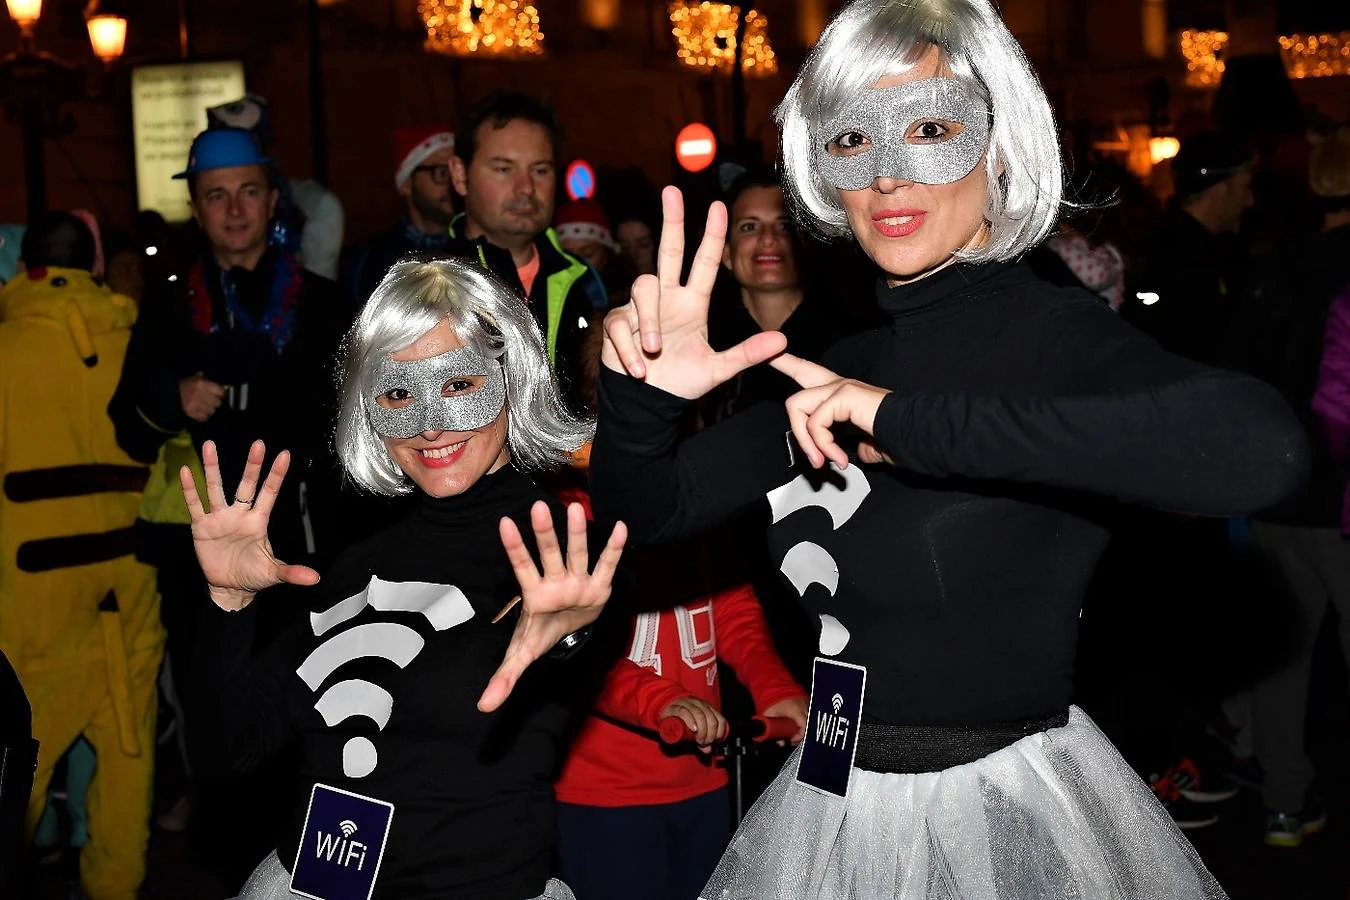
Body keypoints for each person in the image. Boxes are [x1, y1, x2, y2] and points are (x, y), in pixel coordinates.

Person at [591, 1, 1307, 896]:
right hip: (831, 798)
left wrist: (907, 423)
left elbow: (1263, 452)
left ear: (998, 149)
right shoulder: (839, 363)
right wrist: (638, 404)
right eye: (853, 139)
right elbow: (646, 513)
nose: (888, 176)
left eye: (929, 128)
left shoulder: (1051, 337)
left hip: (999, 814)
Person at [186, 258, 626, 899]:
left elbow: (563, 643)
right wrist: (228, 605)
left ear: (510, 381)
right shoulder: (351, 562)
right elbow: (229, 752)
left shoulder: (553, 551)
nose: (428, 422)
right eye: (397, 392)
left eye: (456, 384)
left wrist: (566, 640)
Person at [108, 126, 350, 886]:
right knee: (217, 724)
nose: (235, 209)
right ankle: (229, 875)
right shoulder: (172, 306)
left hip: (303, 548)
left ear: (274, 199)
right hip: (200, 557)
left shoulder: (322, 302)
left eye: (249, 191)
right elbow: (126, 420)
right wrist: (170, 399)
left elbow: (360, 421)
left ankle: (314, 880)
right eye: (217, 196)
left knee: (317, 716)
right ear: (196, 208)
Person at [0, 212, 162, 900]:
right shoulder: (142, 345)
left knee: (16, 771)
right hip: (131, 587)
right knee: (127, 768)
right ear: (95, 265)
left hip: (30, 603)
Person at [554, 548, 808, 900]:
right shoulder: (573, 510)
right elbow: (569, 646)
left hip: (706, 781)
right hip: (607, 799)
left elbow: (731, 607)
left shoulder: (703, 508)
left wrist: (773, 687)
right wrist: (658, 700)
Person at [1241, 123, 1350, 847]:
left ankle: (1284, 802)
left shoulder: (1278, 266)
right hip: (1341, 498)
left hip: (1279, 492)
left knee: (1283, 660)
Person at [448, 89, 607, 409]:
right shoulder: (432, 282)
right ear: (460, 175)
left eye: (540, 170)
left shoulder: (585, 280)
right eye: (504, 169)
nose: (526, 188)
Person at [1119, 131, 1255, 366]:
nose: (1250, 200)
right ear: (1219, 190)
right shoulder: (1175, 262)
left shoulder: (1213, 251)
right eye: (1245, 187)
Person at [348, 127, 458, 304]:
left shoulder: (478, 248)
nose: (453, 185)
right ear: (407, 183)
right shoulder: (375, 261)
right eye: (442, 173)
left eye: (458, 173)